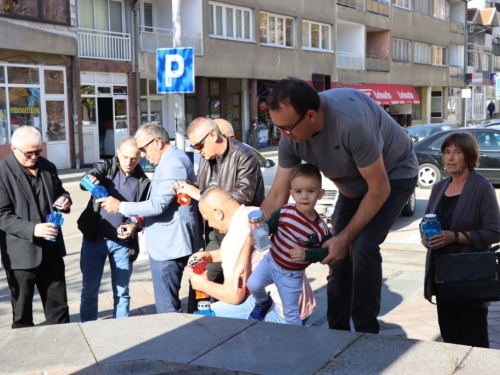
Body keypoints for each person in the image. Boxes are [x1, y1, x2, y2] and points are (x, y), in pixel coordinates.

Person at [235, 77, 418, 334]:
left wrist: (345, 238)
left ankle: (366, 333)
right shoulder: (291, 137)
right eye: (278, 129)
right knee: (334, 253)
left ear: (311, 115)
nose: (283, 137)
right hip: (352, 185)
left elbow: (379, 188)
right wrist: (250, 244)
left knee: (362, 244)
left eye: (287, 129)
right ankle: (337, 332)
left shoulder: (351, 124)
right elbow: (277, 195)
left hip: (393, 173)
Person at [98, 122, 202, 314]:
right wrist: (138, 222)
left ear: (158, 142)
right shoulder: (170, 160)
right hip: (166, 243)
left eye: (144, 150)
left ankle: (175, 342)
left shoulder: (173, 163)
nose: (143, 156)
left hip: (169, 247)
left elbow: (157, 205)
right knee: (166, 304)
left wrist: (120, 206)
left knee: (167, 309)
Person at [189, 187, 316, 323]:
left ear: (218, 213)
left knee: (202, 317)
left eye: (208, 219)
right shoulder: (254, 213)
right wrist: (210, 256)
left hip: (280, 311)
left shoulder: (232, 238)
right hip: (303, 304)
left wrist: (202, 284)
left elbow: (233, 295)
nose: (210, 224)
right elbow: (247, 252)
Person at [178, 117, 265, 313]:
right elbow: (206, 189)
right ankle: (199, 322)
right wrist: (187, 187)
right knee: (200, 277)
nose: (197, 151)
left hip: (238, 229)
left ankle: (210, 321)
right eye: (193, 147)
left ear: (213, 135)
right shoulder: (206, 156)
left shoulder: (244, 154)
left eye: (199, 145)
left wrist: (199, 195)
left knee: (227, 285)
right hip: (215, 230)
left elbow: (242, 196)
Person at [422, 131, 500, 348]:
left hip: (470, 275)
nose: (450, 157)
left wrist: (455, 237)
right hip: (443, 274)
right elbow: (426, 220)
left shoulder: (482, 187)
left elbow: (494, 232)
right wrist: (425, 236)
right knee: (450, 339)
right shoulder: (439, 187)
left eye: (457, 152)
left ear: (469, 155)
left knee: (475, 340)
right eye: (447, 152)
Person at [0, 125, 72, 328]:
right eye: (29, 153)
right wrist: (33, 229)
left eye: (37, 151)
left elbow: (61, 191)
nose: (34, 157)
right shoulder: (2, 174)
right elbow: (2, 216)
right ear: (14, 149)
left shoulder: (48, 166)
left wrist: (65, 199)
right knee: (22, 316)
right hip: (21, 256)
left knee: (59, 311)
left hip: (52, 250)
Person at [246, 164, 332, 325]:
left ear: (320, 194)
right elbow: (269, 226)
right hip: (270, 261)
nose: (304, 197)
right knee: (253, 284)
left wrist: (307, 255)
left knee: (291, 313)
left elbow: (326, 252)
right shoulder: (285, 211)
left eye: (311, 191)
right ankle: (264, 303)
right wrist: (258, 235)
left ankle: (295, 344)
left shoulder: (321, 228)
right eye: (298, 192)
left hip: (291, 275)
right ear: (291, 193)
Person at [77, 137, 150, 322]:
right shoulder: (106, 167)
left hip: (122, 243)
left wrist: (134, 226)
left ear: (140, 156)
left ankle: (121, 330)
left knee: (122, 292)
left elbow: (143, 213)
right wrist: (91, 177)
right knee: (90, 291)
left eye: (134, 158)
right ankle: (88, 328)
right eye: (125, 157)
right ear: (118, 153)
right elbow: (89, 177)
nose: (129, 162)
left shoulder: (143, 181)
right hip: (95, 240)